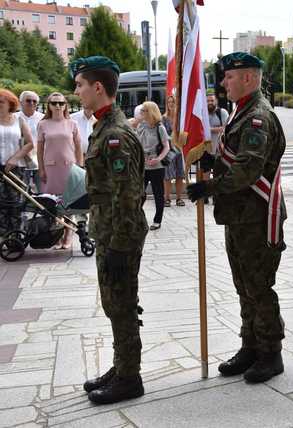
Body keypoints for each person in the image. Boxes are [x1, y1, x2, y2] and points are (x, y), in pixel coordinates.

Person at [186, 52, 287, 383]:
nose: (224, 82)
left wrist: (211, 187)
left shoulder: (258, 116)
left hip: (256, 216)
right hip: (240, 216)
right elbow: (236, 157)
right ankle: (250, 346)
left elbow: (248, 169)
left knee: (259, 286)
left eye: (230, 77)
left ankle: (270, 353)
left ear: (250, 78)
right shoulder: (243, 113)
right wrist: (213, 160)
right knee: (244, 285)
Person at [71, 55, 148, 404]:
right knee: (114, 303)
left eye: (80, 84)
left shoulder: (115, 134)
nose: (77, 91)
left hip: (121, 234)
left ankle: (129, 378)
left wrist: (118, 245)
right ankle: (121, 366)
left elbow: (128, 196)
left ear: (97, 87)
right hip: (110, 231)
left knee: (121, 304)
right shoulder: (103, 126)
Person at [36, 92, 83, 249]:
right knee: (53, 203)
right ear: (48, 105)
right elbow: (39, 150)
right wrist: (41, 169)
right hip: (51, 168)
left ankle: (68, 234)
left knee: (68, 202)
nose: (58, 106)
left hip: (69, 167)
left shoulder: (72, 124)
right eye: (54, 103)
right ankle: (57, 235)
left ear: (65, 105)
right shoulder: (42, 124)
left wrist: (80, 167)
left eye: (61, 103)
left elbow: (78, 148)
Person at [0, 89, 34, 232]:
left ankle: (15, 236)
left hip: (15, 167)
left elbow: (30, 143)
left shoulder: (18, 120)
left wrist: (15, 158)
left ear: (10, 104)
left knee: (16, 204)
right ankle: (2, 237)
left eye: (1, 102)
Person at [137, 101, 169, 231]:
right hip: (143, 165)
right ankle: (137, 217)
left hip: (156, 166)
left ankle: (157, 220)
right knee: (138, 193)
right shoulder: (141, 126)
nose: (141, 112)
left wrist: (158, 159)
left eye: (143, 110)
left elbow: (167, 146)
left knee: (158, 193)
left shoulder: (159, 127)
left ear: (150, 112)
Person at [204, 93, 229, 204]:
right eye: (208, 101)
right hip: (206, 149)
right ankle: (206, 195)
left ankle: (216, 196)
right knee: (206, 174)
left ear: (216, 102)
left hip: (219, 149)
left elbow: (226, 127)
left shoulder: (222, 113)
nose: (210, 103)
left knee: (218, 174)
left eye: (212, 101)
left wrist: (209, 129)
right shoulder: (203, 113)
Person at [162, 95, 186, 207]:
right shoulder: (163, 118)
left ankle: (179, 198)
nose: (171, 104)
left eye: (173, 102)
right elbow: (162, 135)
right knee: (167, 176)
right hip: (168, 150)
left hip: (180, 149)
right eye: (169, 102)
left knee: (180, 174)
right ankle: (167, 199)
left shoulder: (181, 118)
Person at [17, 91, 44, 190]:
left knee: (43, 190)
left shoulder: (43, 118)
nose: (32, 103)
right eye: (28, 100)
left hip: (40, 159)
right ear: (21, 102)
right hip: (20, 160)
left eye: (34, 101)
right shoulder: (14, 118)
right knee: (21, 190)